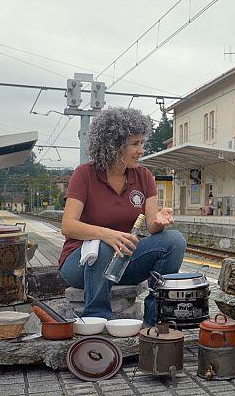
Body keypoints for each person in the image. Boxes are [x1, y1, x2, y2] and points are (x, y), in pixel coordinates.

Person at [58, 107, 186, 327]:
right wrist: (107, 235)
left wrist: (159, 220)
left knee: (174, 241)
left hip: (123, 261)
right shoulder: (84, 174)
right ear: (114, 145)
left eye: (142, 143)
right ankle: (97, 317)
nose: (141, 150)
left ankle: (156, 318)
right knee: (104, 245)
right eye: (135, 144)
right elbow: (68, 226)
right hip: (80, 263)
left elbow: (151, 226)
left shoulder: (144, 176)